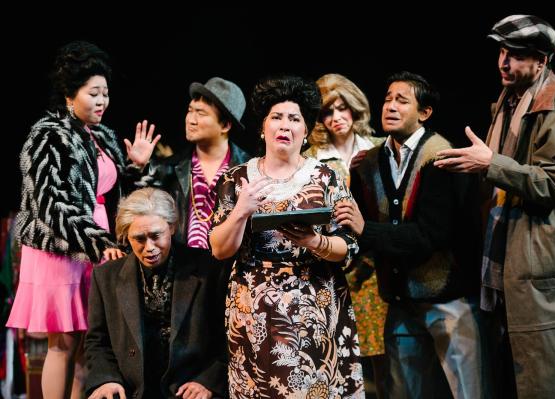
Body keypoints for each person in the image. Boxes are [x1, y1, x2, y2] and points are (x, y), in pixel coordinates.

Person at [434, 15, 555, 398]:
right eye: (502, 51)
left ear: (542, 61)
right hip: (512, 263)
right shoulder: (509, 103)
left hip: (550, 270)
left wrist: (489, 164)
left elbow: (554, 182)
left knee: (552, 383)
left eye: (517, 54)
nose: (504, 62)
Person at [6, 41, 158, 399]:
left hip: (96, 246)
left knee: (90, 339)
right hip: (62, 250)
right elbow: (53, 206)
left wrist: (135, 166)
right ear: (69, 95)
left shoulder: (101, 135)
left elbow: (119, 196)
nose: (102, 101)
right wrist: (98, 243)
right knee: (64, 343)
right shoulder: (49, 134)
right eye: (94, 93)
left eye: (106, 93)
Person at [210, 75, 364, 398]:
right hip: (252, 313)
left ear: (305, 130)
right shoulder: (236, 180)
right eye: (276, 117)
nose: (285, 125)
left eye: (294, 119)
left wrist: (312, 242)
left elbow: (348, 247)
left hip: (313, 308)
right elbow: (220, 249)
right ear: (263, 127)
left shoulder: (325, 178)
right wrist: (241, 210)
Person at [335, 71, 485, 398]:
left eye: (402, 100)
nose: (390, 106)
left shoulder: (440, 156)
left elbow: (430, 236)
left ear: (424, 112)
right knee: (403, 391)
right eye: (388, 98)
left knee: (468, 391)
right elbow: (357, 234)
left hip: (446, 299)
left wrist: (366, 229)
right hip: (400, 301)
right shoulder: (368, 164)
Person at [85, 188, 227, 399]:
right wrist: (107, 379)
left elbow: (228, 337)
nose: (149, 247)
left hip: (189, 388)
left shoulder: (209, 269)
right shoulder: (106, 276)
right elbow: (97, 341)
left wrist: (208, 381)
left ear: (171, 227)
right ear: (126, 237)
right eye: (139, 239)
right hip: (131, 390)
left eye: (155, 236)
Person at [304, 73, 387, 398]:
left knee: (386, 367)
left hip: (378, 266)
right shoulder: (312, 159)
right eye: (328, 111)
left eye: (343, 108)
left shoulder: (379, 148)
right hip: (335, 268)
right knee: (343, 363)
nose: (337, 118)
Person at [139, 77, 250, 249]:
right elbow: (140, 212)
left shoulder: (248, 169)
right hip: (182, 269)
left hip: (229, 267)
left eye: (201, 113)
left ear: (226, 125)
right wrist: (139, 167)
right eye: (190, 111)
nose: (191, 119)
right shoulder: (169, 168)